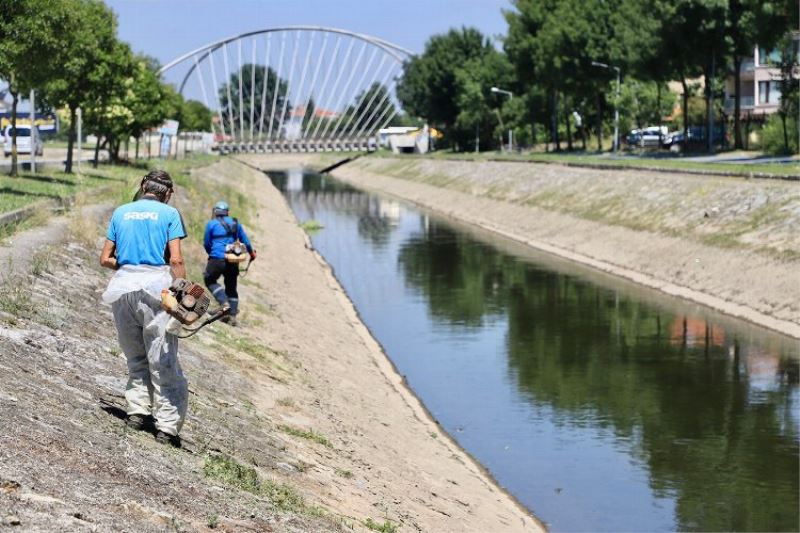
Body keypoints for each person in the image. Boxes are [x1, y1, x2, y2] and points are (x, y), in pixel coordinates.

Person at [99, 170, 188, 448]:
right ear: (168, 193)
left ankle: (137, 412)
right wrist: (182, 292)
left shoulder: (121, 212)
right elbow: (175, 260)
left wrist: (130, 265)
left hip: (122, 289)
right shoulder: (170, 215)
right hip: (155, 289)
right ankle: (167, 427)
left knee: (135, 355)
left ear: (142, 187)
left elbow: (105, 259)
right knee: (162, 359)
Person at [203, 200, 256, 327]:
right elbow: (246, 242)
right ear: (227, 212)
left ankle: (223, 302)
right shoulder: (235, 223)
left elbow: (206, 243)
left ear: (215, 211)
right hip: (232, 259)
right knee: (231, 287)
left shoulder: (211, 224)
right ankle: (232, 316)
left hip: (216, 258)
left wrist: (212, 253)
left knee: (209, 280)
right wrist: (252, 253)